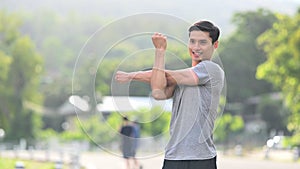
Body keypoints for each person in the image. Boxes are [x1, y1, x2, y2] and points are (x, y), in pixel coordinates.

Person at [115, 20, 224, 169]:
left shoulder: (211, 69)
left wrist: (132, 75)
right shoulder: (181, 79)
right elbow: (158, 92)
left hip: (201, 158)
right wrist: (159, 52)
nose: (196, 47)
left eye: (203, 42)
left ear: (215, 45)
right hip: (173, 156)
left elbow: (165, 76)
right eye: (192, 41)